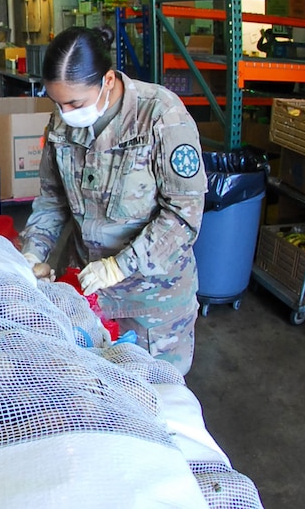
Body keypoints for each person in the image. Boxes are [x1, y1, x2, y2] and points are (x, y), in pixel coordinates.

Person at [19, 27, 206, 373]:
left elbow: (184, 215)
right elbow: (52, 200)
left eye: (74, 103)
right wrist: (33, 252)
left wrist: (120, 266)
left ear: (107, 80)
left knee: (151, 401)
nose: (65, 112)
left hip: (150, 306)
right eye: (57, 103)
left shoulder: (161, 117)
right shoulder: (62, 124)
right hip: (86, 297)